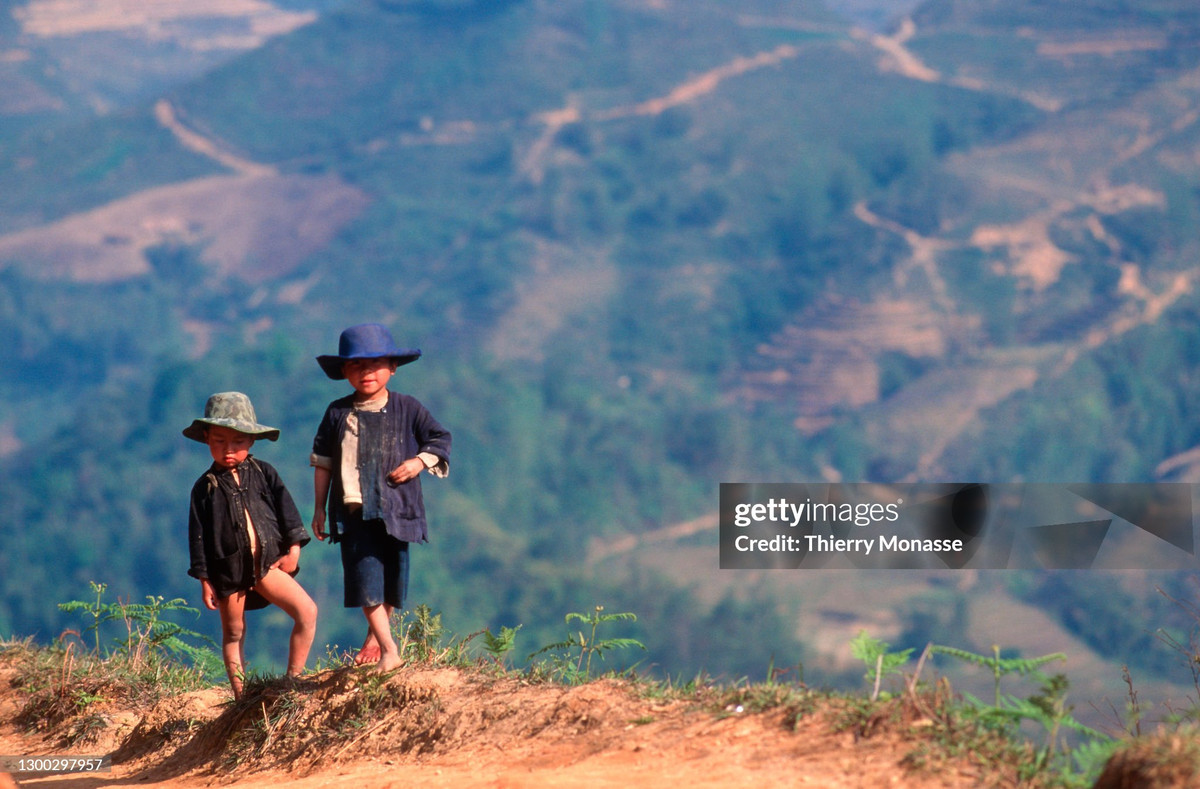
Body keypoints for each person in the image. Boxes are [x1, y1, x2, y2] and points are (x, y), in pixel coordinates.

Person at [310, 323, 451, 673]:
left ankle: (376, 639)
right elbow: (324, 464)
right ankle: (390, 649)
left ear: (392, 367)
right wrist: (318, 508)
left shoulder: (409, 409)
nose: (366, 372)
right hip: (354, 512)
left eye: (375, 364)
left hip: (397, 509)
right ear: (345, 371)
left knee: (392, 580)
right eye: (356, 365)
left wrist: (418, 463)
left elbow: (439, 439)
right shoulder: (336, 413)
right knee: (365, 581)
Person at [184, 392, 318, 698]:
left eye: (238, 442)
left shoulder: (263, 473)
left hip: (267, 566)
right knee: (234, 631)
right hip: (227, 572)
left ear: (252, 441)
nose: (228, 449)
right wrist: (204, 579)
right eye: (219, 441)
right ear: (206, 439)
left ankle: (292, 682)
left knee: (307, 612)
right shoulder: (204, 488)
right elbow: (198, 537)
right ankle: (241, 696)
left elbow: (288, 513)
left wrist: (293, 550)